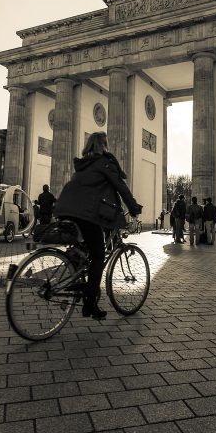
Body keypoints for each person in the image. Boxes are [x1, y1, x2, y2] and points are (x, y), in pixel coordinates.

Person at [53, 131, 141, 320]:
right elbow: (120, 186)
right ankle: (90, 303)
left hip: (65, 209)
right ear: (103, 145)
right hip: (85, 213)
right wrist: (133, 207)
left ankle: (76, 275)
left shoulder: (83, 164)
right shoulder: (105, 163)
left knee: (84, 248)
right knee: (99, 255)